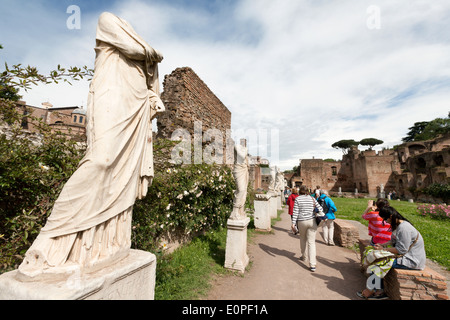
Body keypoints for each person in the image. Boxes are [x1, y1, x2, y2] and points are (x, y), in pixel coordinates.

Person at [18, 12, 165, 278]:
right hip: (111, 93)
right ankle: (51, 235)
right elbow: (135, 50)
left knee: (125, 173)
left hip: (135, 102)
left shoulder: (136, 32)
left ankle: (106, 244)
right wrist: (153, 53)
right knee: (101, 160)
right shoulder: (108, 19)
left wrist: (153, 92)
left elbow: (149, 73)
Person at [357, 206, 426, 299]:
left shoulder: (404, 228)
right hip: (404, 256)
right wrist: (383, 245)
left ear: (391, 216)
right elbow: (394, 241)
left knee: (377, 264)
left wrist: (383, 250)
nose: (386, 221)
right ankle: (375, 289)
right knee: (376, 259)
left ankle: (377, 292)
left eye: (386, 219)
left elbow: (401, 249)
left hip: (411, 260)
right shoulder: (399, 225)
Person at [291, 185, 325, 272]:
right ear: (307, 191)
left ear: (300, 191)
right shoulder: (312, 198)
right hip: (312, 221)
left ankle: (304, 256)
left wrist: (293, 223)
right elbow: (320, 208)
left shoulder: (298, 199)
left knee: (302, 239)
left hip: (301, 221)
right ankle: (312, 264)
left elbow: (295, 212)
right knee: (311, 242)